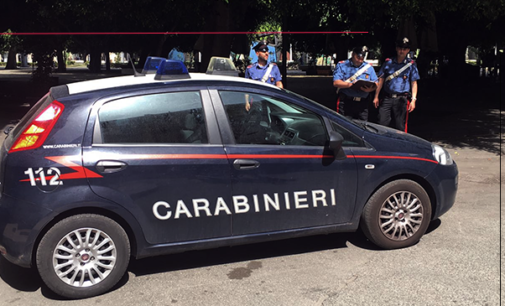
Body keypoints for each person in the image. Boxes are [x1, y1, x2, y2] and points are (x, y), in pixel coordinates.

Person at [373, 37, 419, 132]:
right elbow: (381, 80)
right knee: (382, 123)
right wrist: (376, 96)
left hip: (401, 99)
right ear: (396, 48)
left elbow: (414, 83)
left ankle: (401, 145)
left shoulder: (411, 65)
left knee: (400, 126)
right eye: (400, 48)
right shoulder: (388, 62)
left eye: (404, 49)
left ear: (408, 50)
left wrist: (413, 100)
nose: (402, 51)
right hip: (387, 98)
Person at [333, 46, 378, 121]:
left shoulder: (369, 67)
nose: (360, 60)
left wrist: (370, 89)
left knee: (362, 128)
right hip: (346, 102)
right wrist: (349, 85)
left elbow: (376, 83)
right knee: (344, 126)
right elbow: (336, 82)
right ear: (353, 54)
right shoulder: (342, 65)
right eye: (358, 57)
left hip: (363, 103)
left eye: (362, 57)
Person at [244, 42, 283, 111]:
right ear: (257, 53)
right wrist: (247, 102)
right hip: (256, 103)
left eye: (267, 51)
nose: (267, 53)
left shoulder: (274, 67)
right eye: (263, 52)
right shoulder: (250, 69)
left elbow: (279, 84)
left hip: (271, 102)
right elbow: (246, 88)